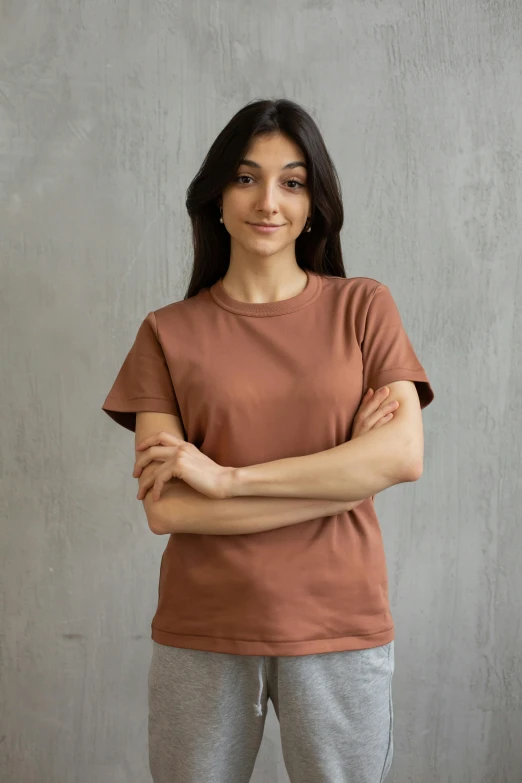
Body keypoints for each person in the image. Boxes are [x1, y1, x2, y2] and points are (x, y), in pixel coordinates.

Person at [101, 98, 434, 783]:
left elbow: (403, 454)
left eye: (292, 180)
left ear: (314, 203)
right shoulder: (166, 333)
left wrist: (227, 480)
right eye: (246, 177)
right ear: (216, 197)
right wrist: (345, 476)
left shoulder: (363, 307)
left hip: (339, 623)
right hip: (205, 628)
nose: (268, 200)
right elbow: (168, 509)